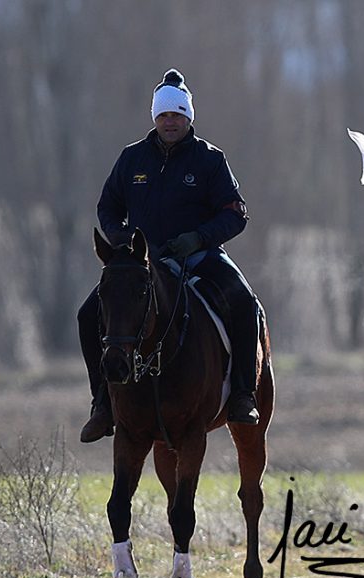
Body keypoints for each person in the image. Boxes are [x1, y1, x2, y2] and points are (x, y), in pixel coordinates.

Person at [77, 69, 259, 443]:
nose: (169, 122)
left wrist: (199, 238)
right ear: (154, 118)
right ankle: (102, 405)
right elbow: (107, 207)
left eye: (176, 115)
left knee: (245, 304)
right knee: (87, 314)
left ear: (188, 117)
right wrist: (124, 239)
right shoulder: (131, 159)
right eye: (163, 116)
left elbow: (235, 212)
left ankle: (243, 395)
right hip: (143, 264)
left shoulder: (210, 160)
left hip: (200, 258)